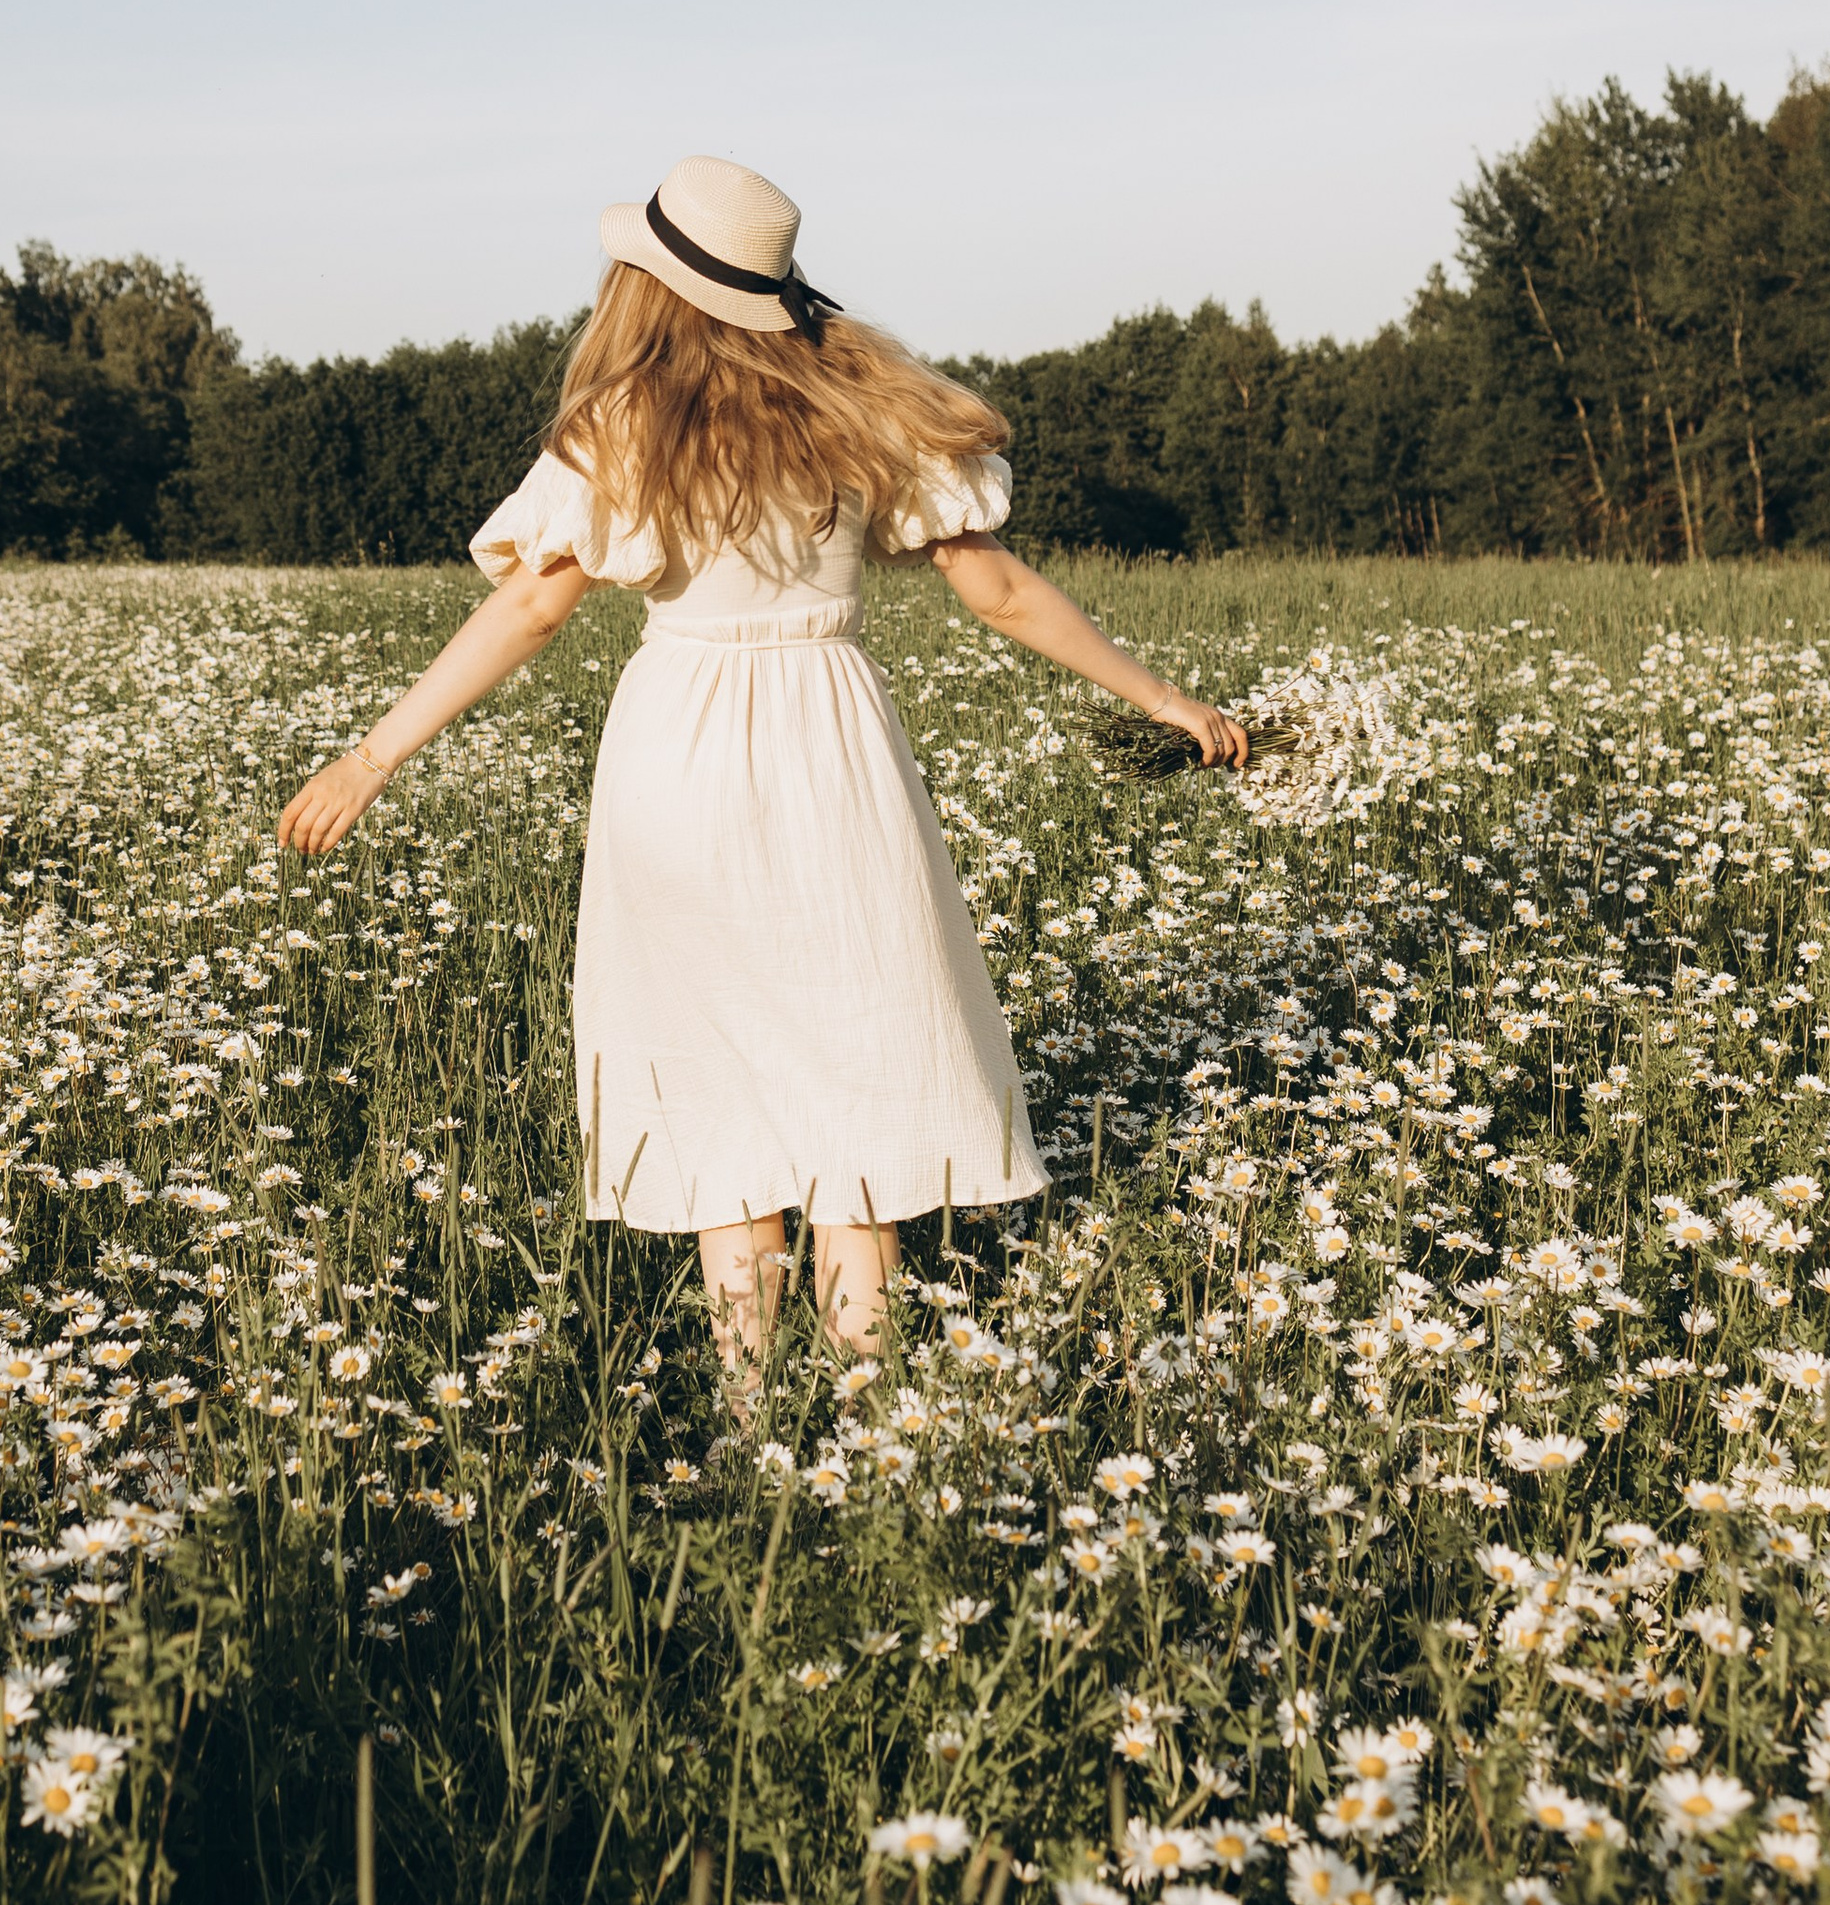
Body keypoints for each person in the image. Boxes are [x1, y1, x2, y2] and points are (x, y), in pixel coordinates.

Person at [277, 157, 1244, 1374]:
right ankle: (867, 1413)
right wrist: (1162, 697)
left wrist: (372, 757)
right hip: (833, 747)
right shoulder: (858, 407)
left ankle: (751, 1425)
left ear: (650, 285)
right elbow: (997, 592)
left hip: (677, 756)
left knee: (715, 1087)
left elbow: (527, 610)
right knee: (857, 1069)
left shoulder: (622, 425)